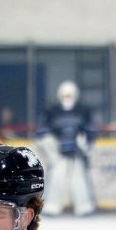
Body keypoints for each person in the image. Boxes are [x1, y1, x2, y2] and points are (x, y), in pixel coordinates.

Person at [35, 81, 95, 216]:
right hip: (58, 153)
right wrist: (51, 146)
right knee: (56, 178)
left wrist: (86, 143)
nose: (67, 98)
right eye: (64, 95)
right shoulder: (52, 111)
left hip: (76, 151)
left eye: (70, 95)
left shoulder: (83, 111)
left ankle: (84, 207)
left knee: (79, 180)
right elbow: (43, 131)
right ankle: (52, 206)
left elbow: (90, 130)